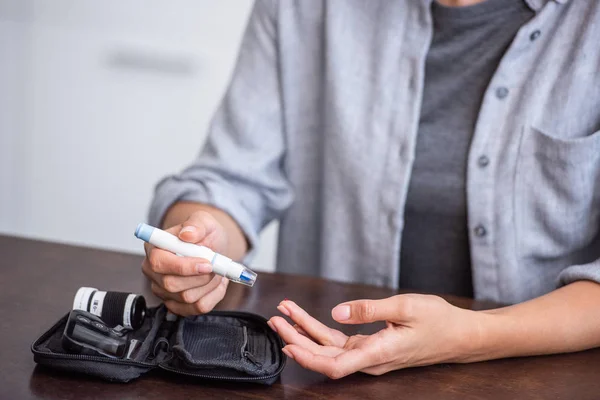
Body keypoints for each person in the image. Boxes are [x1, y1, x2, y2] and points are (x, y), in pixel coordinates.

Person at [142, 0, 600, 379]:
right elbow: (231, 178)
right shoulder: (301, 9)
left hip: (538, 377)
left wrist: (473, 335)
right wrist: (200, 237)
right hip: (323, 373)